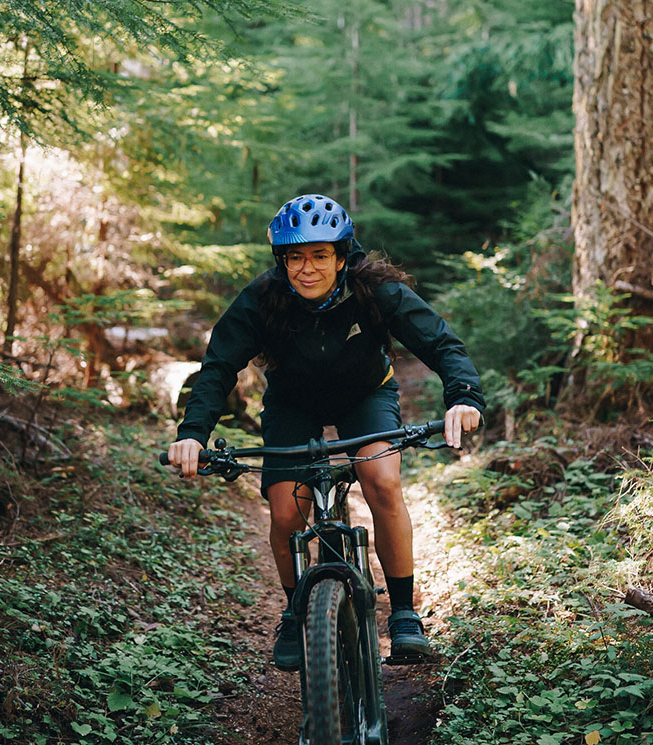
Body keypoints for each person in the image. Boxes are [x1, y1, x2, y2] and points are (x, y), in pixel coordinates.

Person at [166, 194, 484, 670]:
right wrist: (192, 433)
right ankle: (296, 612)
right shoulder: (263, 297)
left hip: (365, 395)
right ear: (282, 260)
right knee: (285, 511)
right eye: (295, 257)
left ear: (341, 257)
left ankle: (403, 614)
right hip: (292, 403)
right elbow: (218, 367)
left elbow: (439, 342)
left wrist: (464, 397)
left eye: (319, 255)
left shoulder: (374, 290)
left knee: (382, 480)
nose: (307, 268)